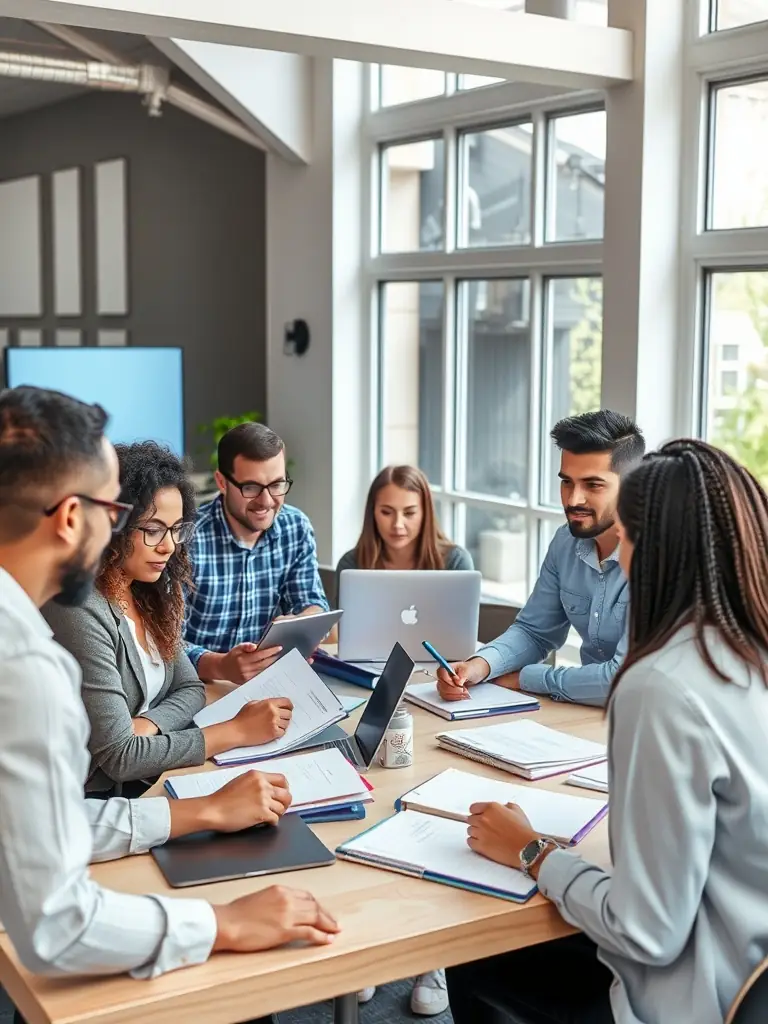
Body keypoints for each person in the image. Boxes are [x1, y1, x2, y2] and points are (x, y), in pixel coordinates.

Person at [0, 386, 338, 1007]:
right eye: (116, 510)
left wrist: (195, 810)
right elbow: (57, 922)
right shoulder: (28, 664)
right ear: (77, 518)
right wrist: (225, 923)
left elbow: (38, 830)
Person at [446, 439, 768, 1024]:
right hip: (750, 964)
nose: (616, 558)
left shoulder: (662, 687)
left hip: (693, 995)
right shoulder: (747, 654)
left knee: (473, 951)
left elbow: (646, 932)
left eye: (629, 539)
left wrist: (531, 850)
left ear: (661, 549)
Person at [44, 441, 294, 797]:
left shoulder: (153, 590)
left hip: (147, 778)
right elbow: (120, 757)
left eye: (177, 529)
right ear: (110, 525)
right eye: (152, 530)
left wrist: (148, 723)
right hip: (92, 801)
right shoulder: (79, 608)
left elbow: (190, 689)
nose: (169, 546)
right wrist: (235, 732)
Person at [337, 462, 472, 1017]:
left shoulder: (453, 560)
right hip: (371, 690)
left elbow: (465, 645)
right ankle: (370, 950)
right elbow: (345, 642)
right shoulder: (353, 564)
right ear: (372, 510)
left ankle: (431, 958)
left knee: (432, 807)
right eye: (387, 511)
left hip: (435, 691)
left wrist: (464, 670)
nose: (397, 524)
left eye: (409, 513)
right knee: (370, 806)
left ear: (426, 513)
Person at [437, 410, 645, 708]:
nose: (573, 500)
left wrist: (526, 678)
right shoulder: (565, 542)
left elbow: (621, 679)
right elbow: (535, 632)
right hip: (584, 715)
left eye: (593, 485)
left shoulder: (653, 558)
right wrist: (478, 666)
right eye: (567, 483)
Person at [185, 422, 329, 685]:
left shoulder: (295, 527)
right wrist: (220, 666)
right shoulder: (187, 538)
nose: (266, 501)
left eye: (276, 484)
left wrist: (301, 627)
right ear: (222, 482)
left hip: (272, 681)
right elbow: (160, 643)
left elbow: (312, 602)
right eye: (250, 488)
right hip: (200, 685)